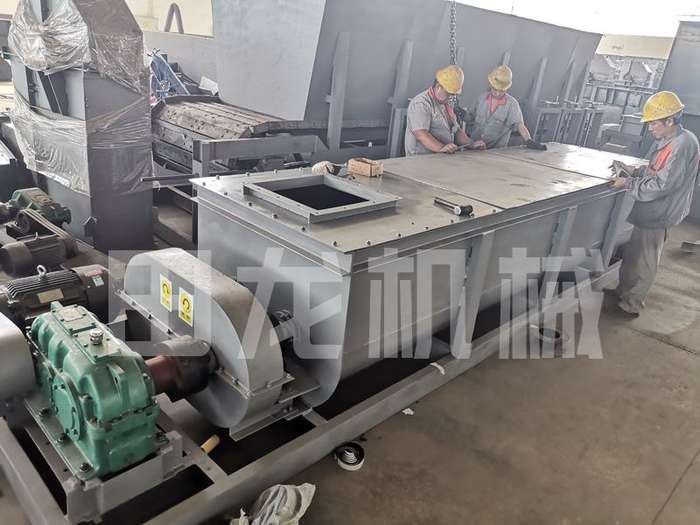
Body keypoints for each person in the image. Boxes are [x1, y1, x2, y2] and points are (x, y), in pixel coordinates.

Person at [610, 91, 700, 316]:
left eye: (653, 123)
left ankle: (632, 304)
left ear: (670, 120)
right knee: (634, 253)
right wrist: (632, 171)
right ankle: (623, 292)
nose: (649, 128)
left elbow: (662, 185)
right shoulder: (668, 141)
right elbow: (655, 171)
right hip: (651, 209)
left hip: (661, 210)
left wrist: (627, 183)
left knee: (645, 258)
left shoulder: (682, 145)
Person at [405, 65, 485, 156]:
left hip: (440, 157)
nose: (452, 97)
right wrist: (441, 148)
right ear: (438, 87)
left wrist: (471, 144)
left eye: (454, 94)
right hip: (421, 158)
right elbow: (420, 133)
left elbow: (456, 131)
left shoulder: (447, 104)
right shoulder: (421, 103)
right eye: (449, 93)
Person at [471, 65, 543, 150]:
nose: (497, 93)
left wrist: (528, 140)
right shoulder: (481, 99)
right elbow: (471, 117)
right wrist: (462, 114)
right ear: (490, 84)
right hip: (474, 149)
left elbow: (520, 125)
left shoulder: (512, 105)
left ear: (507, 88)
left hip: (496, 152)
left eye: (501, 90)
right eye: (495, 89)